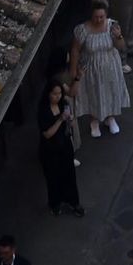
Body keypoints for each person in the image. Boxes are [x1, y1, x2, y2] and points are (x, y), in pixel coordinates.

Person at [70, 0, 130, 137]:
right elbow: (75, 50)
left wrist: (119, 36)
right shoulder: (82, 30)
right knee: (93, 93)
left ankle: (110, 118)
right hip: (91, 68)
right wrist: (73, 72)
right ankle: (94, 121)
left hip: (110, 66)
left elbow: (121, 46)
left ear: (106, 15)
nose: (99, 19)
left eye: (101, 17)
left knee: (110, 91)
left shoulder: (112, 26)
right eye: (96, 16)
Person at [37, 84, 83, 217]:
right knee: (53, 178)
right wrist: (60, 120)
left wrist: (71, 120)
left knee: (69, 175)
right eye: (54, 94)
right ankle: (55, 204)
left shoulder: (64, 104)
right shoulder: (43, 111)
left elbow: (71, 124)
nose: (57, 97)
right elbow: (47, 134)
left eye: (59, 94)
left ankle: (73, 202)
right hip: (50, 150)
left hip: (65, 145)